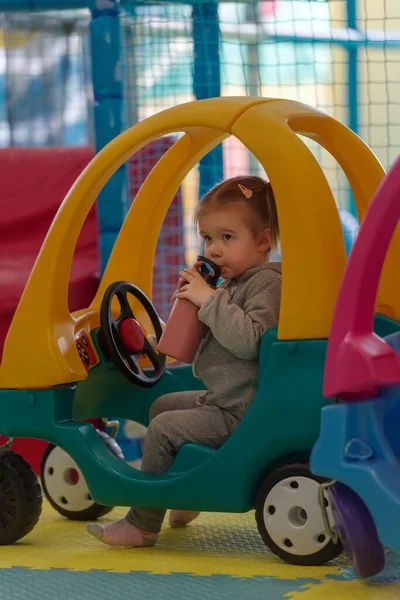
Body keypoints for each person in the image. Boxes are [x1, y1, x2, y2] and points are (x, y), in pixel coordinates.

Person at [86, 175, 282, 547]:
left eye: (227, 237)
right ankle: (188, 491)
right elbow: (206, 344)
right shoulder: (234, 283)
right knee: (162, 406)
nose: (214, 249)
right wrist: (187, 311)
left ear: (262, 240)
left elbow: (251, 341)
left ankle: (142, 524)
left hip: (243, 410)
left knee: (164, 430)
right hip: (225, 399)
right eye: (208, 238)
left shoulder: (266, 284)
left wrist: (209, 300)